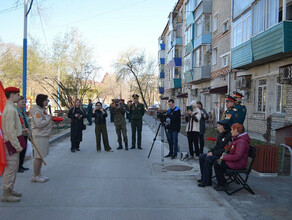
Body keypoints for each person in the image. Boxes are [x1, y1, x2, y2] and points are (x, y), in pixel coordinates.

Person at [1, 87, 27, 202]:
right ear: (12, 95)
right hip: (11, 143)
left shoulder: (11, 108)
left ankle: (10, 189)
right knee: (11, 168)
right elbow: (10, 131)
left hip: (12, 140)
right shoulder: (10, 110)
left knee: (14, 167)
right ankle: (6, 193)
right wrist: (17, 146)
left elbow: (13, 128)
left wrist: (21, 131)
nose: (19, 97)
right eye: (17, 95)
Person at [214, 123, 250, 191]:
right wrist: (225, 155)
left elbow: (237, 156)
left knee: (218, 163)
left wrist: (224, 157)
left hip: (239, 163)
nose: (231, 131)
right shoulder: (238, 139)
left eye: (232, 130)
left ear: (236, 130)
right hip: (236, 161)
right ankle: (222, 183)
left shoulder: (241, 141)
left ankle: (223, 184)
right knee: (218, 162)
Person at [198, 120, 231, 187]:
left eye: (219, 126)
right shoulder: (220, 134)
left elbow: (225, 149)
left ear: (224, 127)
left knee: (209, 158)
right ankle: (204, 177)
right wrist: (211, 151)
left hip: (223, 156)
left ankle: (206, 181)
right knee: (202, 157)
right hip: (217, 154)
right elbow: (217, 146)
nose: (218, 127)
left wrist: (213, 153)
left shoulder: (229, 136)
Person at [31, 94, 53, 183]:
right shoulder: (37, 111)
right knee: (38, 156)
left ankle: (39, 174)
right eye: (46, 100)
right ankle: (35, 175)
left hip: (44, 135)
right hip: (39, 136)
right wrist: (48, 119)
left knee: (41, 156)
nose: (47, 102)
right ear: (41, 100)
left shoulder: (42, 109)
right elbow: (39, 124)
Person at [16, 96, 30, 173]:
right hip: (20, 133)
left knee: (24, 149)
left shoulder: (22, 111)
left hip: (25, 133)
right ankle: (18, 166)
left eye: (24, 102)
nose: (24, 103)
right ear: (17, 103)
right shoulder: (16, 111)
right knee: (20, 150)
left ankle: (21, 165)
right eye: (22, 102)